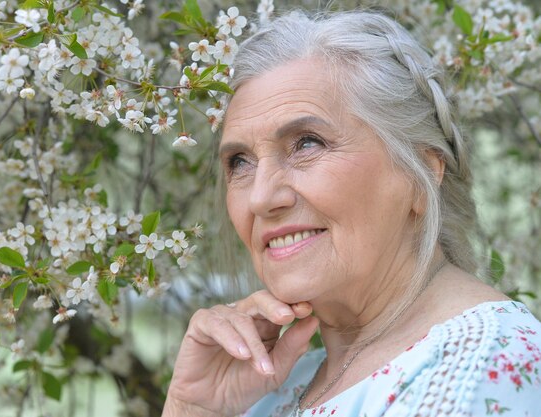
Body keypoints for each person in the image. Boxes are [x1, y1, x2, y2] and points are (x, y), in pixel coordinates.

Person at [162, 10, 541, 417]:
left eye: (307, 143)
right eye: (239, 162)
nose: (260, 198)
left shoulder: (481, 372)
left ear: (422, 174)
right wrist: (193, 408)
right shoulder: (272, 388)